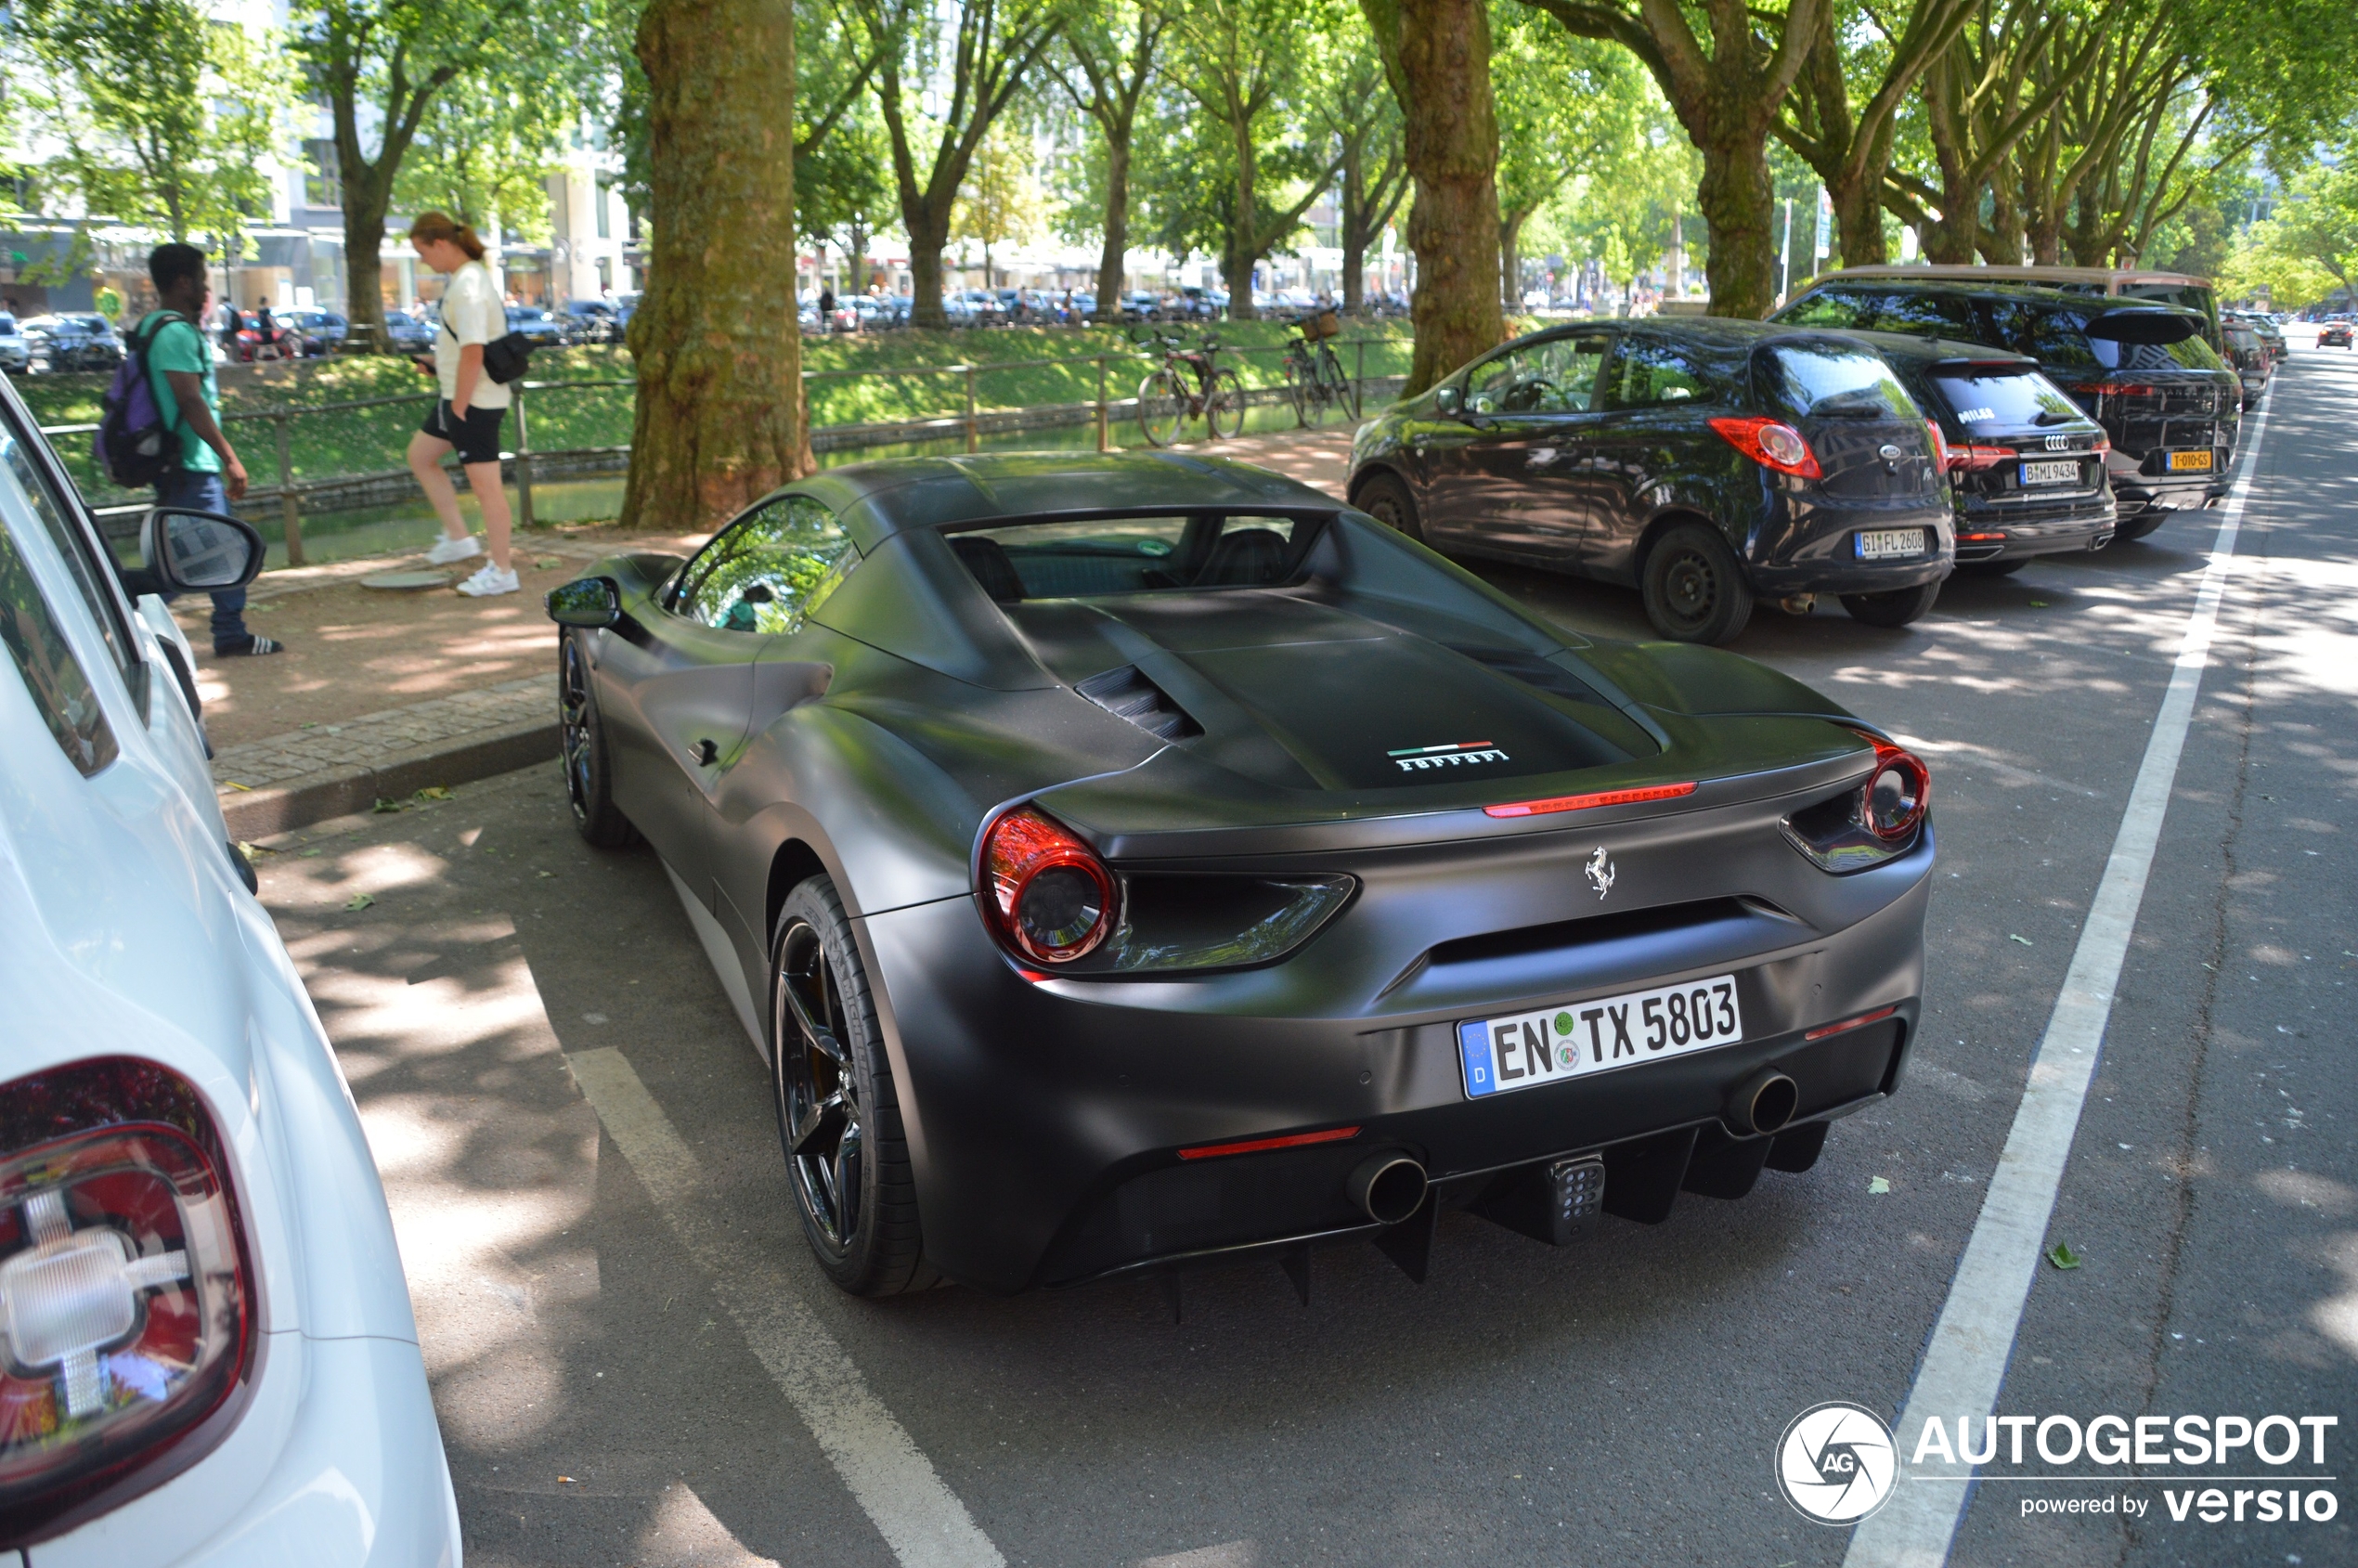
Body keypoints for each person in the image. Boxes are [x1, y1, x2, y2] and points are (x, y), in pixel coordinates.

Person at [138, 243, 281, 656]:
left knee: (202, 552)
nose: (205, 288)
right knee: (218, 551)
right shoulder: (176, 333)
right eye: (202, 279)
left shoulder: (153, 326)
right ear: (183, 281)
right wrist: (229, 458)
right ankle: (134, 624)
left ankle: (227, 630)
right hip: (191, 461)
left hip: (181, 461)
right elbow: (190, 399)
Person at [405, 212, 517, 596]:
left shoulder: (467, 284)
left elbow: (473, 351)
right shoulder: (465, 281)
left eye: (422, 251)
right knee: (421, 456)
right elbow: (464, 348)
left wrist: (460, 408)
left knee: (487, 489)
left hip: (472, 402)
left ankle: (502, 570)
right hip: (459, 395)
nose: (423, 261)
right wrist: (439, 365)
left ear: (439, 243)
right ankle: (458, 537)